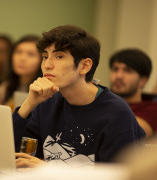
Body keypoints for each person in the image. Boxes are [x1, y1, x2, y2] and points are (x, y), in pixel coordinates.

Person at [13, 25, 145, 169]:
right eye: (45, 57)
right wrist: (29, 104)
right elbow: (14, 156)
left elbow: (117, 176)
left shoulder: (116, 113)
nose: (47, 65)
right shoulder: (47, 102)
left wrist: (51, 171)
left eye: (59, 56)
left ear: (84, 66)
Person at [109, 49, 157, 138]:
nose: (119, 76)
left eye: (127, 70)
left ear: (143, 80)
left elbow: (130, 133)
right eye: (115, 69)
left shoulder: (152, 108)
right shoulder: (101, 100)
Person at [0, 35, 42, 111]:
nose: (22, 58)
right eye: (19, 52)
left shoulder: (43, 92)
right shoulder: (5, 87)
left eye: (30, 54)